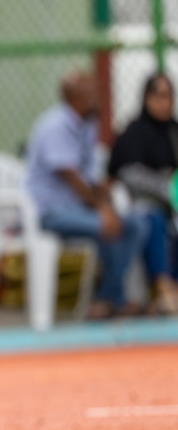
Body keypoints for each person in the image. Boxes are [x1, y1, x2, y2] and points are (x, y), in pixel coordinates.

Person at [24, 69, 146, 319]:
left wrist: (103, 191)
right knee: (108, 226)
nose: (99, 98)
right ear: (76, 99)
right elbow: (71, 179)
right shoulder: (54, 126)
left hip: (79, 208)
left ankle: (108, 299)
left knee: (136, 225)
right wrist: (102, 209)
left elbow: (86, 176)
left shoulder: (87, 125)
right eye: (93, 93)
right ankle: (110, 299)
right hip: (50, 212)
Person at [107, 72, 178, 313]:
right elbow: (127, 173)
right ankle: (163, 286)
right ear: (146, 98)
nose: (164, 103)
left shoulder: (174, 131)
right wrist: (166, 188)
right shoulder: (135, 131)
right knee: (155, 220)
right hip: (144, 203)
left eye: (168, 96)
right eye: (158, 96)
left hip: (175, 205)